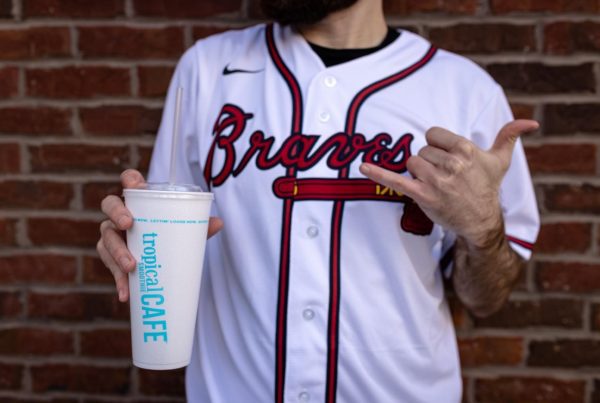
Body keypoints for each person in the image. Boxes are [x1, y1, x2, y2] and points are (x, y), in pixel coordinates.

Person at [97, 0, 540, 401]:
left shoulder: (464, 91)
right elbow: (163, 241)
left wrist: (483, 229)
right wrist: (135, 246)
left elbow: (486, 298)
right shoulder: (207, 68)